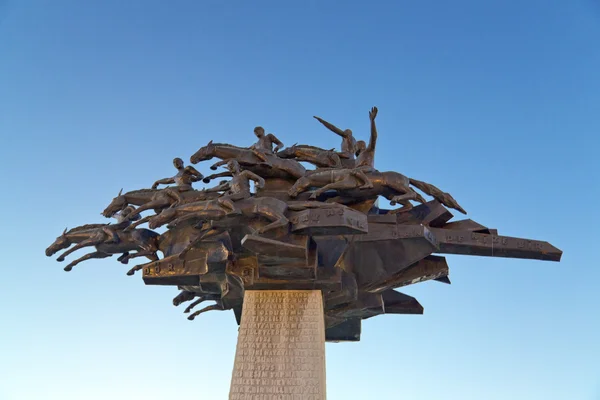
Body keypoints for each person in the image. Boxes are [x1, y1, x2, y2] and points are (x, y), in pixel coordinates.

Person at [349, 106, 378, 189]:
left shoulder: (369, 150)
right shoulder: (356, 160)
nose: (354, 148)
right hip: (359, 173)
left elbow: (374, 137)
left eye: (356, 146)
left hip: (368, 169)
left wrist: (372, 121)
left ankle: (368, 183)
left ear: (362, 145)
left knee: (355, 171)